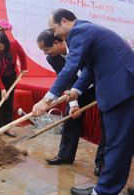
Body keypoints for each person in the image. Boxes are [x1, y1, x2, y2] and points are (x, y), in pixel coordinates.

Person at [32, 9, 134, 195]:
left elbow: (71, 67)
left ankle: (103, 192)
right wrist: (76, 91)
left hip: (122, 88)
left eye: (54, 29)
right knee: (126, 141)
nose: (55, 34)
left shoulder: (79, 32)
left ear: (64, 21)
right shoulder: (86, 31)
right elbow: (89, 69)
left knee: (116, 142)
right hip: (124, 86)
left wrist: (47, 101)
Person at [37, 29, 106, 176]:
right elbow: (65, 78)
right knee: (70, 117)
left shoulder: (78, 47)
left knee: (107, 123)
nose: (45, 54)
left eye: (46, 50)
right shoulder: (52, 58)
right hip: (77, 89)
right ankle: (65, 156)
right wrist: (74, 103)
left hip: (101, 85)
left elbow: (92, 69)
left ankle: (102, 163)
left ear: (57, 43)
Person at [0, 31, 28, 137]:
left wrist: (24, 68)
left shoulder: (14, 44)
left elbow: (22, 55)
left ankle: (8, 127)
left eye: (0, 46)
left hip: (10, 76)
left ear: (6, 43)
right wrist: (2, 89)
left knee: (9, 102)